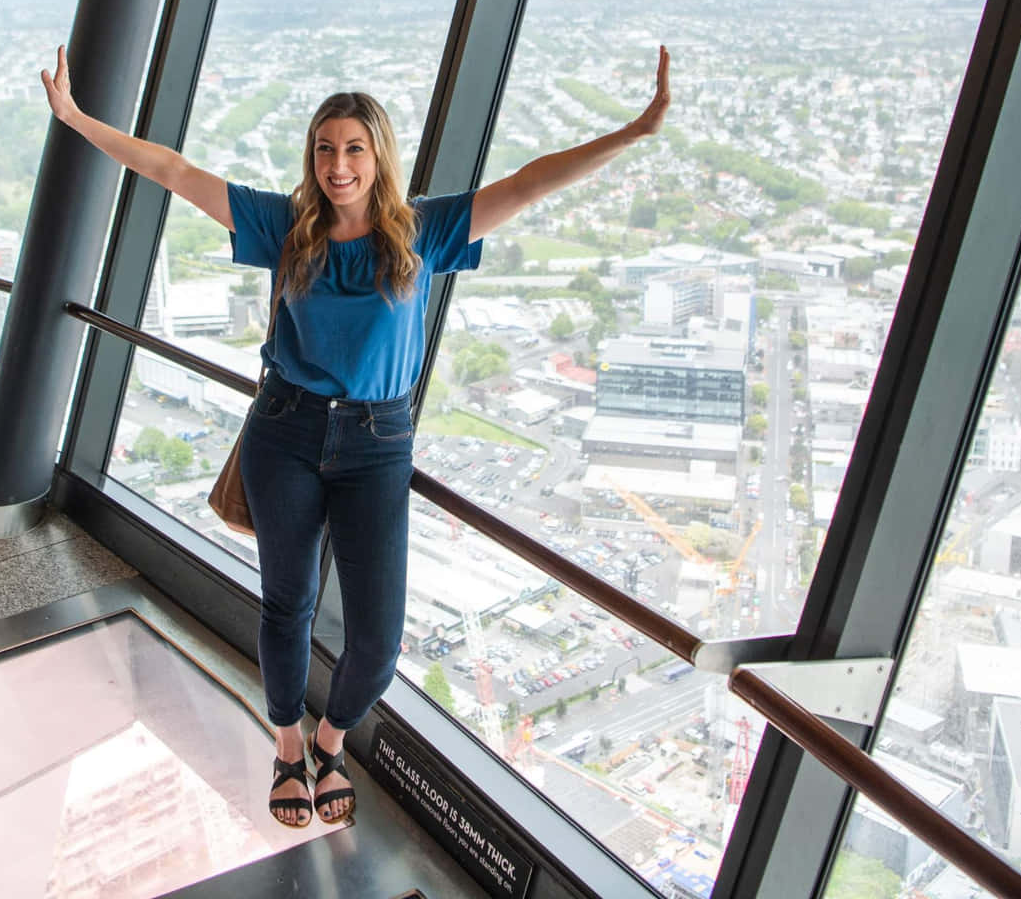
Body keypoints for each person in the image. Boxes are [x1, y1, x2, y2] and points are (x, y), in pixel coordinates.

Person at [42, 40, 672, 827]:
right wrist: (74, 118)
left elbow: (530, 182)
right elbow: (171, 169)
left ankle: (330, 741)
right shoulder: (285, 226)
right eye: (325, 149)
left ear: (379, 157)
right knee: (287, 604)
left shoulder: (422, 233)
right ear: (312, 156)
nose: (339, 164)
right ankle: (285, 745)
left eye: (354, 149)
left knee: (376, 639)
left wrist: (632, 132)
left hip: (378, 444)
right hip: (287, 431)